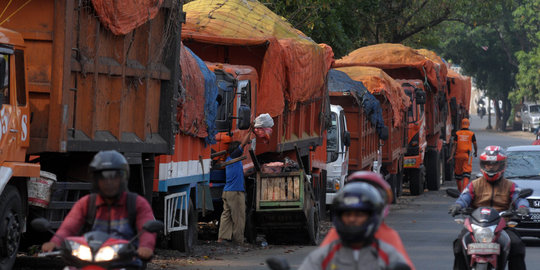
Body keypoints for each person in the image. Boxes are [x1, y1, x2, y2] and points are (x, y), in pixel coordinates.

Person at [41, 150, 157, 260]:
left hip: (127, 260)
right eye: (103, 178)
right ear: (95, 180)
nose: (109, 182)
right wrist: (55, 242)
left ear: (123, 179)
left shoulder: (137, 203)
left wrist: (145, 247)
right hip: (89, 257)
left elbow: (146, 228)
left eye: (113, 177)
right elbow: (69, 227)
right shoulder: (86, 203)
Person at [449, 145, 530, 270]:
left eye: (494, 164)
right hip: (476, 226)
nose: (491, 167)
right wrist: (457, 206)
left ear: (502, 165)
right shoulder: (474, 185)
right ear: (482, 165)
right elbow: (464, 198)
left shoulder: (511, 185)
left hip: (502, 225)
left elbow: (519, 198)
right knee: (459, 245)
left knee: (516, 245)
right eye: (488, 164)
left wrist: (523, 207)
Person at [299, 182, 409, 270]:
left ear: (372, 217)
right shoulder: (322, 257)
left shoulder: (389, 256)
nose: (352, 219)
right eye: (347, 214)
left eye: (359, 214)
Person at [217, 128, 252, 244]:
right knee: (239, 217)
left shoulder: (229, 160)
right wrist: (251, 130)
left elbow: (240, 174)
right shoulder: (234, 157)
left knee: (226, 215)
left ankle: (221, 238)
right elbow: (243, 143)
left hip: (226, 192)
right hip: (236, 192)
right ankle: (239, 240)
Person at [448, 118, 478, 192]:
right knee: (466, 173)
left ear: (461, 124)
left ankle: (460, 190)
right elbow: (475, 144)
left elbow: (454, 145)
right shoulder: (471, 134)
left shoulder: (457, 134)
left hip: (458, 155)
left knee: (458, 174)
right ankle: (464, 191)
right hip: (468, 155)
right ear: (468, 124)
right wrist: (476, 152)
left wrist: (451, 156)